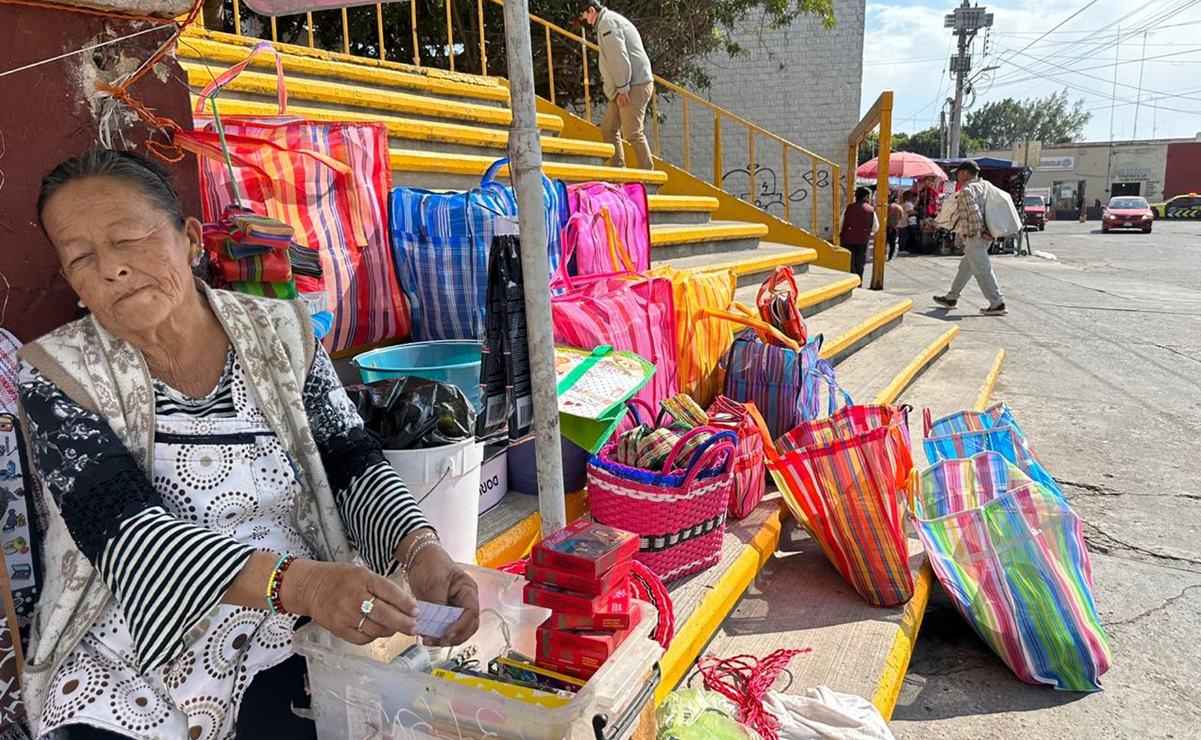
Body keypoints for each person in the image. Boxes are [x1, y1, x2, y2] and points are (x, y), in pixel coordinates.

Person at [17, 150, 481, 739]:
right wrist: (307, 584)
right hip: (127, 646)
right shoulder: (54, 371)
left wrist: (419, 551)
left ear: (189, 239)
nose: (111, 269)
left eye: (129, 238)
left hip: (287, 630)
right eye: (81, 257)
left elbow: (350, 461)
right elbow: (126, 535)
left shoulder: (282, 332)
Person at [578, 0, 655, 171]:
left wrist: (623, 88)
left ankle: (649, 178)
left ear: (591, 11)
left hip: (632, 85)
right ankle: (618, 170)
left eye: (583, 15)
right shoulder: (606, 22)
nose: (583, 20)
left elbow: (619, 58)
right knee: (609, 128)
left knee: (633, 132)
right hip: (626, 86)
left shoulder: (607, 24)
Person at [932, 160, 1007, 316]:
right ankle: (952, 297)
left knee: (982, 269)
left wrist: (979, 232)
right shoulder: (985, 187)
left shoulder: (967, 190)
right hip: (987, 233)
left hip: (976, 235)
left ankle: (997, 302)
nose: (958, 176)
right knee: (966, 268)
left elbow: (974, 214)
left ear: (965, 173)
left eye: (958, 173)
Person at [840, 186, 878, 281]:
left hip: (847, 238)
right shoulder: (870, 210)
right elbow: (876, 227)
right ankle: (858, 281)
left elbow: (841, 223)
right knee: (860, 261)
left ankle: (849, 280)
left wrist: (841, 232)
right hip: (862, 239)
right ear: (866, 197)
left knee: (849, 260)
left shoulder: (849, 208)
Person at [886, 191, 905, 261]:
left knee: (884, 242)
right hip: (895, 227)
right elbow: (901, 217)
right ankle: (890, 257)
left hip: (886, 226)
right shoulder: (899, 208)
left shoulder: (887, 207)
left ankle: (883, 255)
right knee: (892, 243)